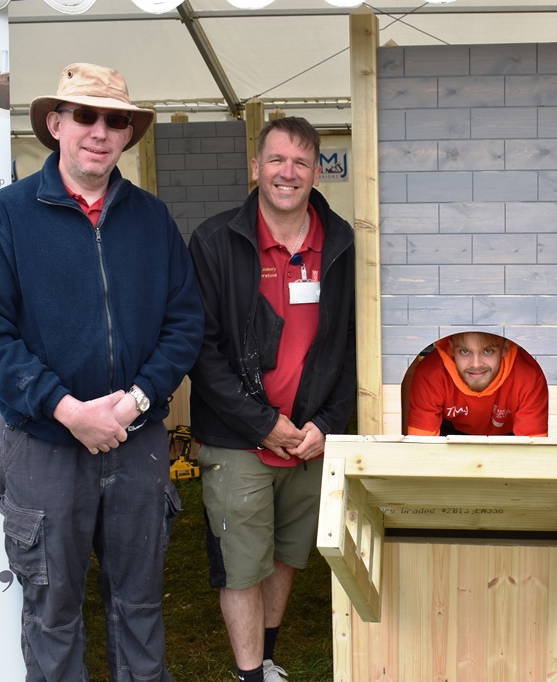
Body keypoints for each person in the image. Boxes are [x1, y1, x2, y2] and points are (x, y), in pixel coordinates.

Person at [0, 63, 203, 682]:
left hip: (136, 439)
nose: (99, 131)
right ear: (55, 124)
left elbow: (184, 324)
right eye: (85, 116)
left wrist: (138, 402)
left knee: (140, 607)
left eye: (114, 119)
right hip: (45, 447)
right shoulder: (5, 216)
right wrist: (68, 409)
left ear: (127, 135)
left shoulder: (153, 220)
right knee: (53, 614)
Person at [188, 116, 355, 682]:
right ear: (256, 167)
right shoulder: (214, 242)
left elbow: (351, 344)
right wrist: (262, 424)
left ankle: (268, 656)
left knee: (287, 553)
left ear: (315, 172)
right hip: (240, 437)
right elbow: (202, 352)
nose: (288, 173)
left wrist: (326, 426)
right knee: (242, 563)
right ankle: (249, 673)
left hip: (308, 438)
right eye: (277, 161)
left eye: (301, 163)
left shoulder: (342, 242)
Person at [406, 332, 548, 437]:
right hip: (450, 433)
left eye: (488, 351)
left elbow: (534, 452)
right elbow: (423, 450)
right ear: (452, 348)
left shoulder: (530, 374)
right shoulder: (430, 373)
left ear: (505, 348)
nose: (476, 364)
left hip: (510, 436)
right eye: (465, 351)